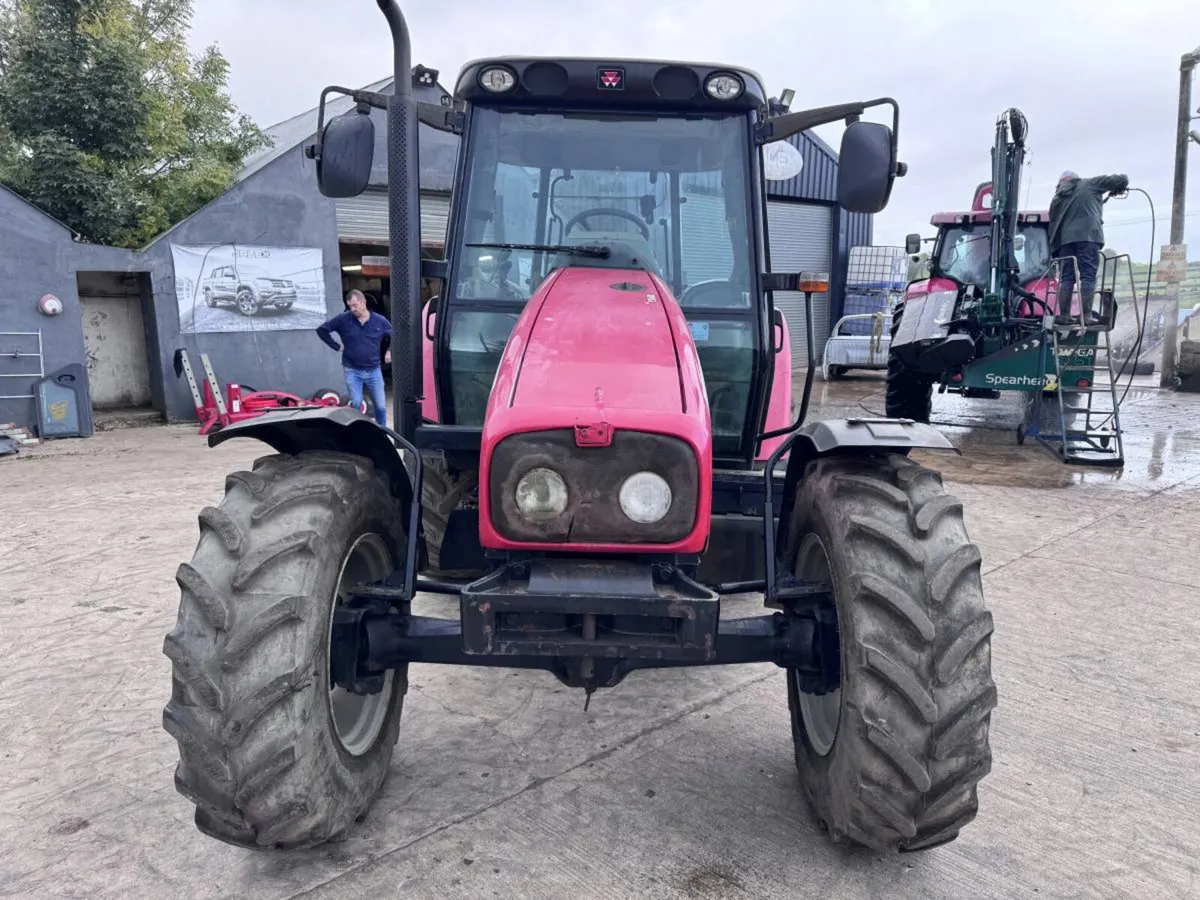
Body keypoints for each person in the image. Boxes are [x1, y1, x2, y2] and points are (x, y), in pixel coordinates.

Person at [1049, 170, 1129, 324]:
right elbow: (1121, 178)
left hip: (1064, 241)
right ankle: (1086, 316)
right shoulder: (1090, 184)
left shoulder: (1057, 198)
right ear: (1075, 179)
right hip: (1088, 237)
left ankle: (1064, 316)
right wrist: (1119, 186)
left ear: (1061, 183)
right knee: (1088, 276)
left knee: (1066, 278)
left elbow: (1052, 224)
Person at [316, 289, 392, 427]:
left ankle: (382, 431)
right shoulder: (343, 319)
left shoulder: (380, 321)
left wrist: (390, 351)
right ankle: (358, 431)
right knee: (356, 403)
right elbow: (321, 330)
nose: (352, 309)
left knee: (380, 407)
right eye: (350, 306)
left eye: (355, 305)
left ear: (363, 303)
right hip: (352, 370)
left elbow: (395, 334)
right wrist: (336, 346)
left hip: (374, 371)